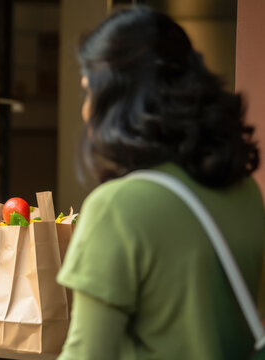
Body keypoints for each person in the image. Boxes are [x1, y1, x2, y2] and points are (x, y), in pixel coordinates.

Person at [56, 6, 264, 360]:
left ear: (117, 102)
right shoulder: (244, 191)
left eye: (90, 93)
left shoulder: (116, 208)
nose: (85, 111)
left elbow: (87, 354)